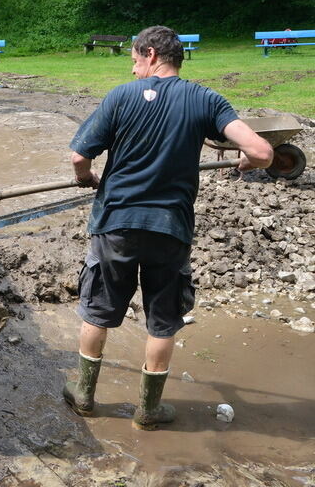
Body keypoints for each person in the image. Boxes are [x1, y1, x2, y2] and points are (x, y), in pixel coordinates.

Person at [63, 25, 273, 431]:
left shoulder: (120, 97)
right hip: (169, 227)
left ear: (151, 53)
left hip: (116, 223)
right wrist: (249, 162)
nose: (134, 69)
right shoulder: (204, 98)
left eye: (135, 60)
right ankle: (147, 411)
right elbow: (262, 150)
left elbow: (77, 157)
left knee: (99, 311)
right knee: (162, 319)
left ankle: (85, 396)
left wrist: (86, 178)